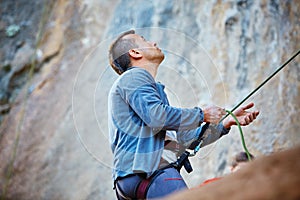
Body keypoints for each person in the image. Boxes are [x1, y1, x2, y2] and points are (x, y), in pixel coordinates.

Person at [107, 30, 259, 199]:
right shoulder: (135, 76)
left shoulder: (147, 90)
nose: (154, 43)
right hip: (152, 174)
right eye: (145, 40)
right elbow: (157, 117)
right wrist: (202, 115)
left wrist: (224, 124)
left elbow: (185, 140)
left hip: (133, 180)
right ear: (135, 53)